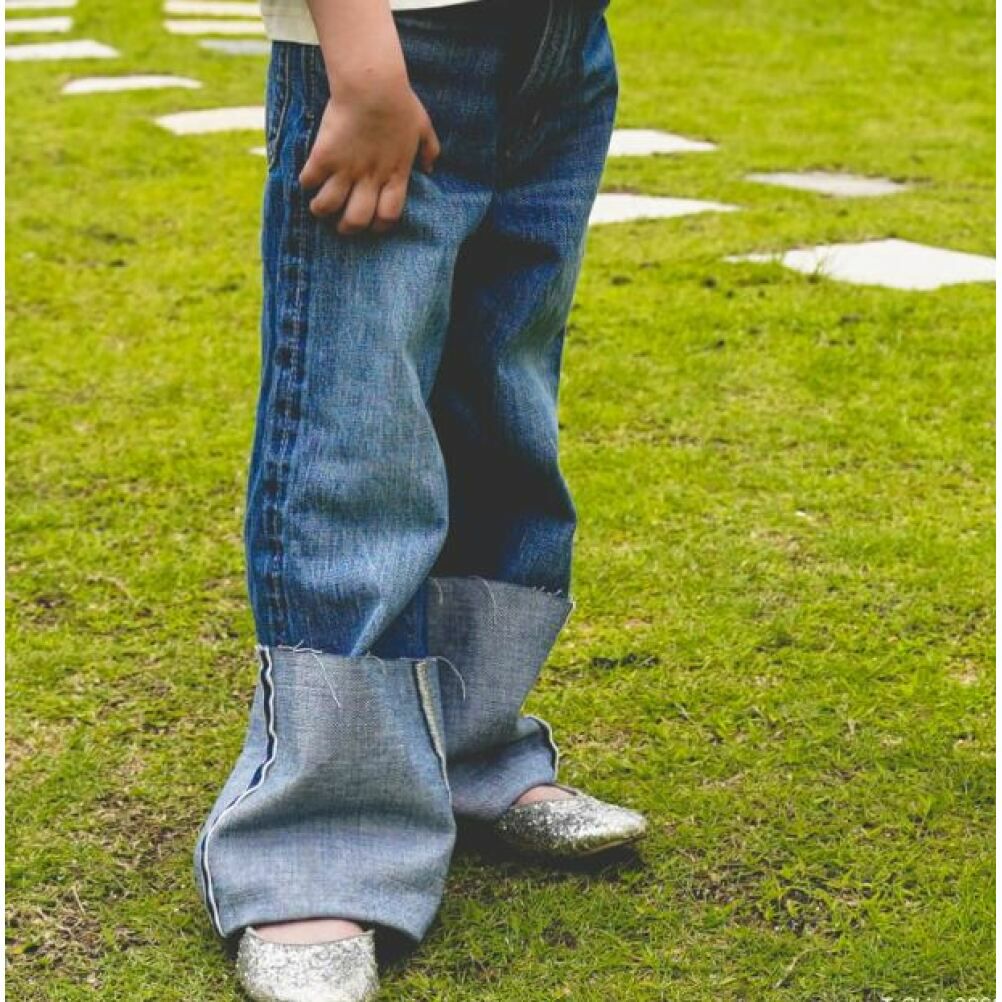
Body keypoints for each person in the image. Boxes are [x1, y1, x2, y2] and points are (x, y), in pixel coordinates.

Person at [191, 0, 647, 997]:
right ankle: (316, 838)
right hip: (395, 45)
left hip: (556, 42)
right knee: (357, 427)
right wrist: (361, 65)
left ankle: (465, 749)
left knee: (501, 403)